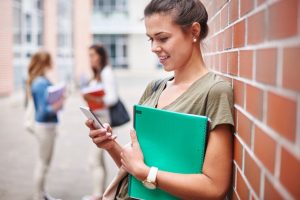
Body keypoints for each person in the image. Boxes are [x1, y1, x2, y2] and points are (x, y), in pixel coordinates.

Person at [86, 0, 234, 199]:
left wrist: (146, 173)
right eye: (150, 39)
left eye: (162, 38)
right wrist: (110, 145)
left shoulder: (214, 92)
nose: (154, 48)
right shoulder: (154, 87)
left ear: (194, 32)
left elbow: (215, 187)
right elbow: (134, 167)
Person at [82, 44, 119, 200]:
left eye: (93, 55)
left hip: (104, 121)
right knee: (99, 159)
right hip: (96, 118)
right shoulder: (96, 74)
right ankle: (102, 193)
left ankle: (97, 195)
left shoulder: (106, 72)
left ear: (101, 56)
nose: (90, 59)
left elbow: (112, 98)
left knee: (94, 160)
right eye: (89, 55)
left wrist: (94, 98)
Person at [26, 51, 64, 200]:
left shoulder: (38, 80)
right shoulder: (40, 82)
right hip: (45, 126)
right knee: (43, 163)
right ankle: (38, 196)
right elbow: (44, 110)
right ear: (45, 63)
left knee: (44, 162)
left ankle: (42, 194)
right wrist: (59, 102)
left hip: (45, 126)